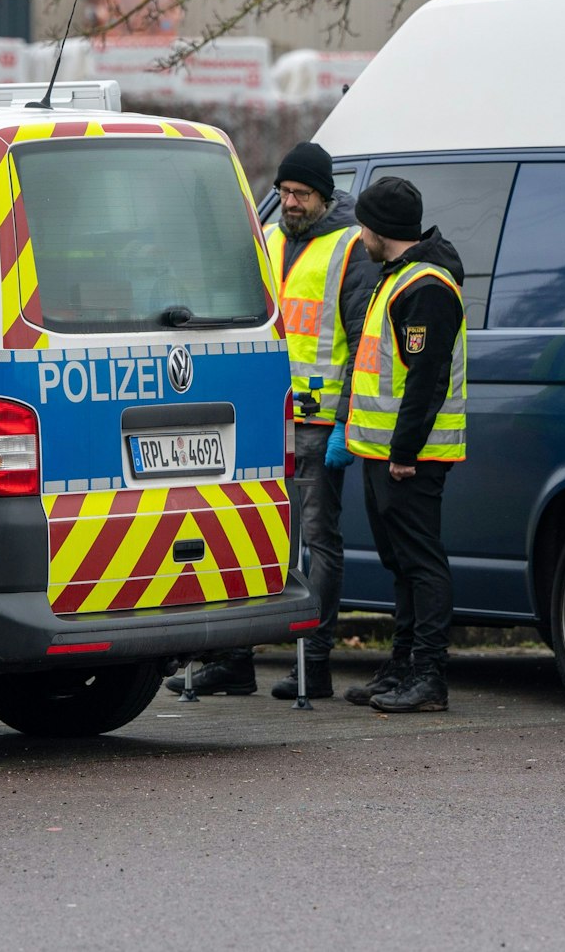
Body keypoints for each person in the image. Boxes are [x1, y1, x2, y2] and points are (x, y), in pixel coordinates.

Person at [164, 141, 376, 698]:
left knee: (317, 540)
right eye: (284, 192)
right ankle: (235, 661)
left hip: (316, 422)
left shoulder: (350, 247)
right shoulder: (269, 238)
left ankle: (316, 662)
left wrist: (346, 421)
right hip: (258, 419)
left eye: (301, 194)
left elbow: (363, 341)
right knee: (241, 531)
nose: (291, 203)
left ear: (324, 196)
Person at [342, 176, 467, 713]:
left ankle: (429, 675)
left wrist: (403, 452)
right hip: (382, 454)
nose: (359, 236)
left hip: (411, 459)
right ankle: (402, 666)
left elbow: (426, 379)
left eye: (363, 227)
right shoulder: (396, 277)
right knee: (401, 564)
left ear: (381, 228)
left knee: (422, 563)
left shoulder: (426, 287)